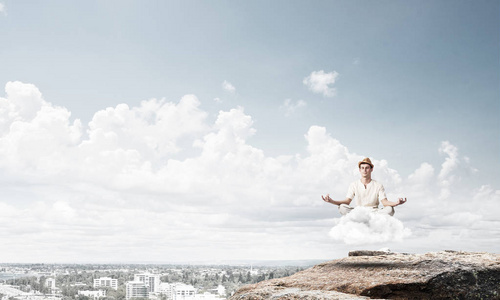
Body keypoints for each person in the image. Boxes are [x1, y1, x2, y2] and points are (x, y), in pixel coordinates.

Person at [321, 157, 407, 216]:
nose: (364, 170)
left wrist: (396, 203)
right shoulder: (354, 184)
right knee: (342, 207)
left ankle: (372, 220)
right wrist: (331, 201)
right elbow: (347, 201)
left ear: (371, 169)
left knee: (390, 209)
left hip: (375, 212)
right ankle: (360, 220)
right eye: (362, 168)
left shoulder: (378, 185)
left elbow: (384, 202)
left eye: (367, 168)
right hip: (359, 212)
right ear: (359, 170)